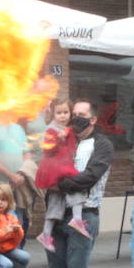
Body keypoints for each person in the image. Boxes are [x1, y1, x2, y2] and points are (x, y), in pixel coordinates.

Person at [46, 100, 113, 268]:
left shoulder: (103, 145)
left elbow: (90, 177)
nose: (76, 118)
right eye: (74, 114)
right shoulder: (65, 139)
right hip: (56, 214)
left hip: (84, 214)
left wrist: (59, 185)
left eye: (81, 115)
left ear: (93, 119)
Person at [34, 102, 89, 251]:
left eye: (66, 112)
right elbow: (47, 149)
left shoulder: (68, 128)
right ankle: (77, 219)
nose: (63, 116)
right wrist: (59, 138)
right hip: (56, 166)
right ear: (53, 114)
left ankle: (45, 234)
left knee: (55, 199)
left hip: (60, 165)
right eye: (59, 113)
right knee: (76, 185)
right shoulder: (52, 129)